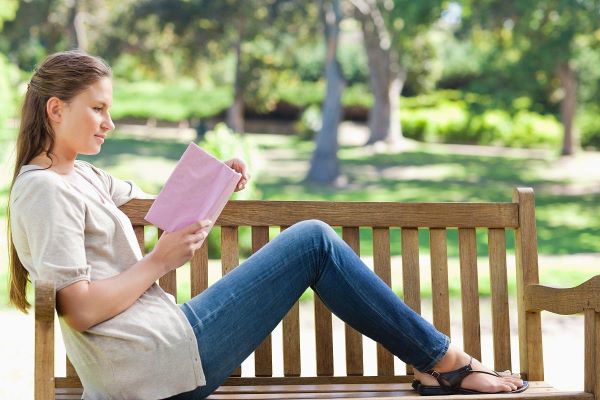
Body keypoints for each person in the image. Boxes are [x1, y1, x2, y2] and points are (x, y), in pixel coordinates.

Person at [7, 50, 527, 400]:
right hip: (153, 367)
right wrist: (158, 261)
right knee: (314, 241)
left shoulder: (82, 177)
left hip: (161, 350)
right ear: (55, 109)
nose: (109, 122)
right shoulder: (43, 190)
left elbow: (163, 203)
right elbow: (77, 309)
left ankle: (441, 363)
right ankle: (446, 364)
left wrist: (216, 179)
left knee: (314, 241)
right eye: (97, 109)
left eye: (109, 109)